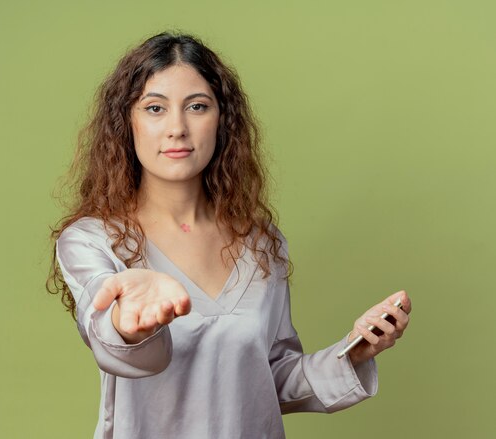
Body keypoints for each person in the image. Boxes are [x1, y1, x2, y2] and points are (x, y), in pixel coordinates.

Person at [47, 32, 412, 439]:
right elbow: (108, 333)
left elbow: (269, 378)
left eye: (197, 107)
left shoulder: (260, 243)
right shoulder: (92, 241)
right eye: (154, 108)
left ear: (222, 120)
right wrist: (130, 324)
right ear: (126, 122)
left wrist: (352, 352)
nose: (177, 129)